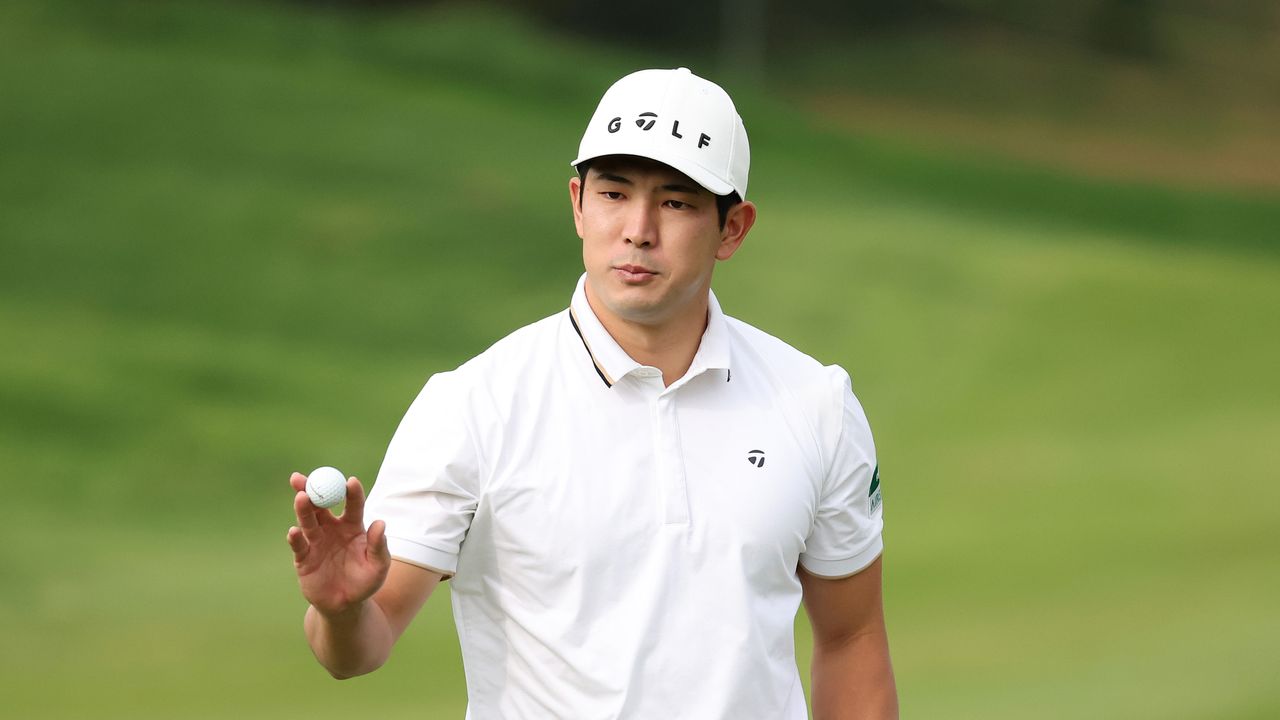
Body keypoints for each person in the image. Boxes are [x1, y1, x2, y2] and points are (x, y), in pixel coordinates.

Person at [286, 67, 897, 719]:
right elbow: (357, 649)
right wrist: (342, 610)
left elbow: (851, 636)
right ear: (578, 203)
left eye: (676, 202)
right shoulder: (473, 406)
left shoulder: (815, 403)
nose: (638, 229)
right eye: (613, 193)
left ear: (733, 229)